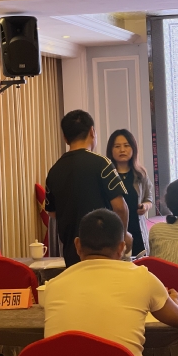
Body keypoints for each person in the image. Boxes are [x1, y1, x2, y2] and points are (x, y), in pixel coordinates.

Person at [44, 209, 178, 356]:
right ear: (121, 248)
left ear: (77, 245)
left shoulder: (54, 286)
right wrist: (176, 301)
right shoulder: (142, 277)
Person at [45, 110, 132, 267]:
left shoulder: (54, 171)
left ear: (65, 138)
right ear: (92, 132)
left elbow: (52, 213)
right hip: (105, 251)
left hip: (72, 252)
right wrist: (122, 237)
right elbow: (120, 208)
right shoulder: (102, 164)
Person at [106, 129, 154, 257]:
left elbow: (149, 199)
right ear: (111, 150)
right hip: (113, 231)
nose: (122, 150)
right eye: (117, 146)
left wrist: (145, 206)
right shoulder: (106, 175)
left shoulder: (140, 173)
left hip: (137, 230)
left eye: (126, 145)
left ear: (133, 148)